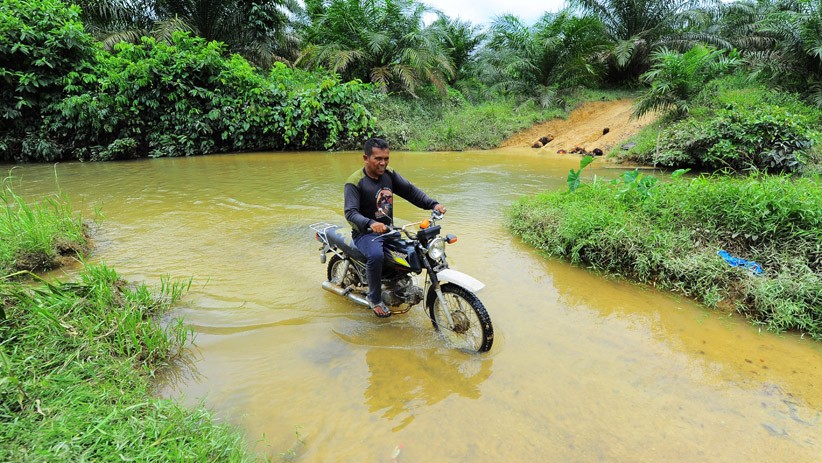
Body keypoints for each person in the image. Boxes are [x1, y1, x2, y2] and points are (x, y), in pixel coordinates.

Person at [344, 137, 447, 318]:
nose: (383, 163)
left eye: (386, 158)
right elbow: (350, 213)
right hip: (365, 234)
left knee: (411, 250)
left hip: (389, 230)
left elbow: (410, 191)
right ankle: (374, 298)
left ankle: (398, 284)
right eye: (378, 159)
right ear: (365, 158)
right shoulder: (355, 182)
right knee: (376, 255)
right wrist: (370, 223)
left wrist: (433, 204)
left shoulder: (389, 175)